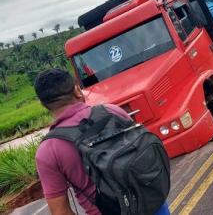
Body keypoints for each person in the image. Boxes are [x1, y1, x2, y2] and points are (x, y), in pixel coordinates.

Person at [34, 68, 170, 215]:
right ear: (77, 90)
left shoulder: (48, 150)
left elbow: (60, 212)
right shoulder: (111, 110)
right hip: (151, 203)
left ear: (43, 105)